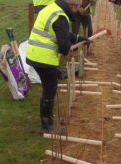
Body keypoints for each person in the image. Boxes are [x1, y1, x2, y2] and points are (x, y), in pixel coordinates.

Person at [26, 0, 90, 133]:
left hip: (34, 53)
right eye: (78, 7)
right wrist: (67, 48)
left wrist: (78, 38)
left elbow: (61, 33)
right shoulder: (61, 17)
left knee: (48, 87)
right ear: (72, 5)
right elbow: (64, 45)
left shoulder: (52, 8)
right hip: (43, 57)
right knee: (50, 89)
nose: (78, 10)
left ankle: (47, 119)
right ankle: (47, 126)